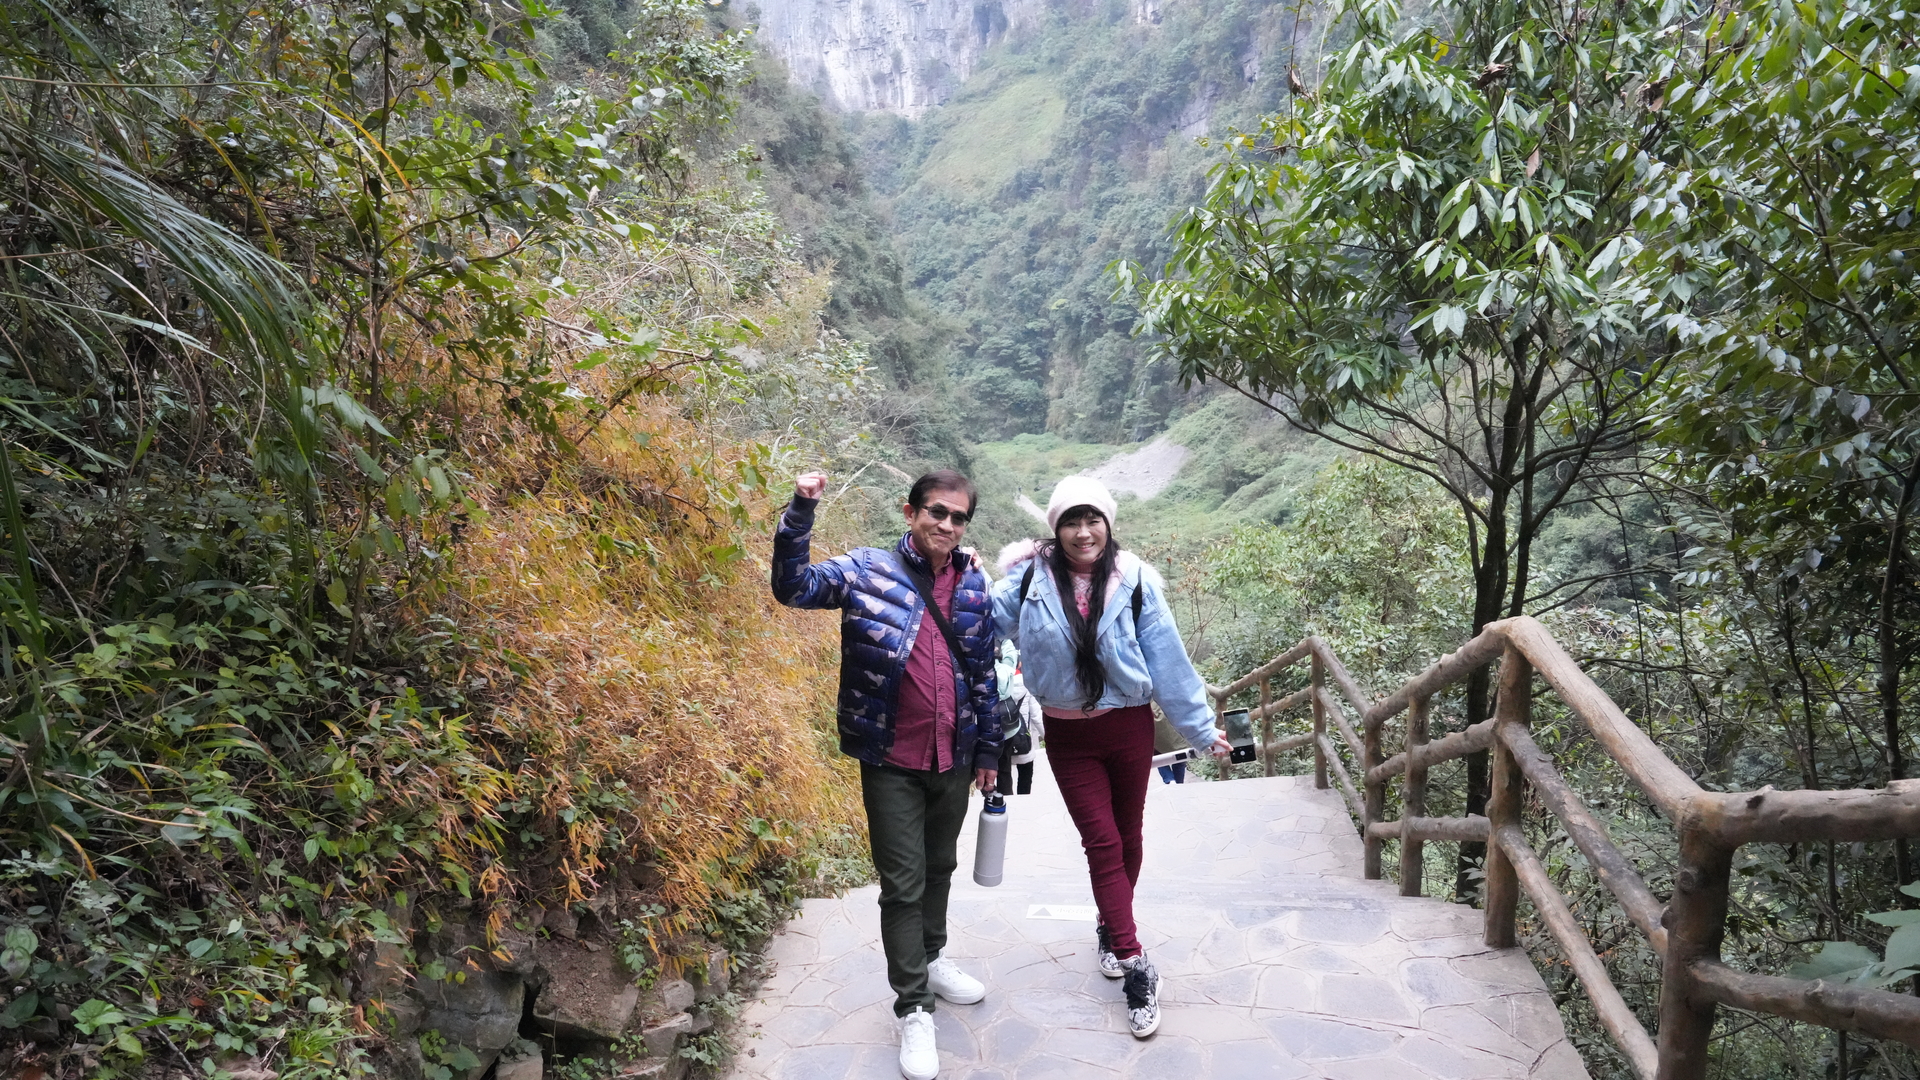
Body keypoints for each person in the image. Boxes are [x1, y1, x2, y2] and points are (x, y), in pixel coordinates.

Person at [771, 469, 1001, 1080]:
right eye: (937, 512)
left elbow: (983, 672)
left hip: (954, 756)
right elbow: (794, 587)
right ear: (910, 512)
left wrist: (989, 750)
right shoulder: (867, 570)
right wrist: (800, 511)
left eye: (958, 517)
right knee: (903, 884)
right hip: (891, 759)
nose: (946, 525)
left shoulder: (973, 585)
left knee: (941, 866)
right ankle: (914, 1007)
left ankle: (932, 957)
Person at [990, 475, 1226, 1040]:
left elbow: (1167, 659)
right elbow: (976, 622)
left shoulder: (1135, 579)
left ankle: (1108, 925)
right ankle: (1134, 960)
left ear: (1107, 524)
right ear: (1056, 528)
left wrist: (1200, 729)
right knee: (1102, 842)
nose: (1083, 531)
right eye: (1071, 521)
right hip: (1068, 736)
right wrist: (960, 575)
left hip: (1127, 728)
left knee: (1128, 837)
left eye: (1092, 519)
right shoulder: (1029, 578)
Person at [993, 644, 1045, 796]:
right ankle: (1023, 799)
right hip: (1022, 739)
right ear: (1019, 664)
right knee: (1025, 774)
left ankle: (1004, 800)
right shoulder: (1027, 684)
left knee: (1004, 772)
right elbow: (1036, 717)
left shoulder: (995, 681)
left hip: (1002, 736)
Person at [1153, 711, 1188, 784]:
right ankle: (1178, 783)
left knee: (1159, 758)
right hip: (1177, 732)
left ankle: (1170, 780)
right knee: (1180, 757)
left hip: (1158, 734)